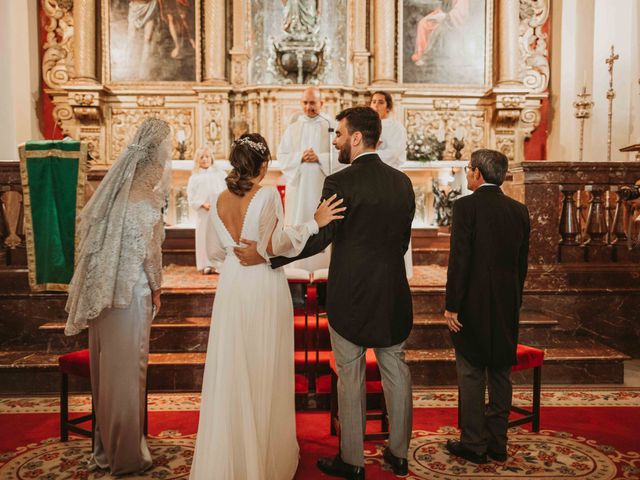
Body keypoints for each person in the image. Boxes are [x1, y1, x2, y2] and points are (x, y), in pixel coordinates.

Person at [237, 107, 415, 479]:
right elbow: (401, 242)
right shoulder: (402, 183)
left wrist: (271, 255)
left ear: (355, 138)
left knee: (349, 377)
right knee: (395, 371)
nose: (333, 141)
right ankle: (399, 454)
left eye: (338, 135)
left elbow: (321, 237)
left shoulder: (340, 183)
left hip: (350, 294)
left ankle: (352, 461)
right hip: (393, 291)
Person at [189, 133, 345, 480]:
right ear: (262, 165)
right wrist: (314, 223)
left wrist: (237, 252)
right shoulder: (269, 194)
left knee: (235, 364)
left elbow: (214, 252)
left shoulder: (217, 200)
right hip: (260, 282)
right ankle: (262, 457)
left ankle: (233, 455)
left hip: (231, 283)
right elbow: (278, 244)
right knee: (263, 364)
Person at [64, 118, 172, 475]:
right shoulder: (147, 202)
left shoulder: (111, 197)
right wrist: (157, 290)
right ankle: (126, 457)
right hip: (131, 298)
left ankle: (104, 449)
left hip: (104, 299)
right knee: (128, 377)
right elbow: (151, 257)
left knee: (107, 377)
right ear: (154, 161)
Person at [444, 149, 530, 464]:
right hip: (507, 303)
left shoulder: (465, 206)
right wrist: (515, 300)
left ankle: (473, 443)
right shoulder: (519, 210)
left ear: (478, 173)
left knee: (470, 372)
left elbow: (460, 259)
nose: (467, 174)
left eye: (468, 169)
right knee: (500, 374)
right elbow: (522, 264)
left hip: (472, 303)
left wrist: (452, 304)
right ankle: (498, 444)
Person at [277, 87, 337, 272]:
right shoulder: (293, 128)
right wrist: (300, 158)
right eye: (305, 102)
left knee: (322, 224)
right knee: (299, 222)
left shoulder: (332, 125)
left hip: (321, 186)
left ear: (322, 103)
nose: (308, 106)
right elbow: (282, 155)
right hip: (299, 188)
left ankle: (323, 269)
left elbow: (341, 155)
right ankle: (298, 267)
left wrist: (319, 157)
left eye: (313, 102)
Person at [370, 91, 413, 279]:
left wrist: (374, 152)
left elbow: (395, 152)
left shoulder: (397, 127)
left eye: (380, 102)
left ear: (388, 106)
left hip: (391, 178)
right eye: (373, 101)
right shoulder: (368, 126)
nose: (376, 105)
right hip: (371, 178)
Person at [187, 145, 227, 274]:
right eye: (201, 157)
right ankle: (206, 264)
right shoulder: (194, 177)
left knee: (218, 236)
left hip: (218, 210)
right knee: (204, 237)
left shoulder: (220, 174)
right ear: (197, 160)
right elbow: (191, 196)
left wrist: (221, 204)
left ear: (212, 158)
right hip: (203, 212)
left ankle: (219, 263)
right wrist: (202, 204)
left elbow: (226, 191)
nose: (205, 159)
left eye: (207, 156)